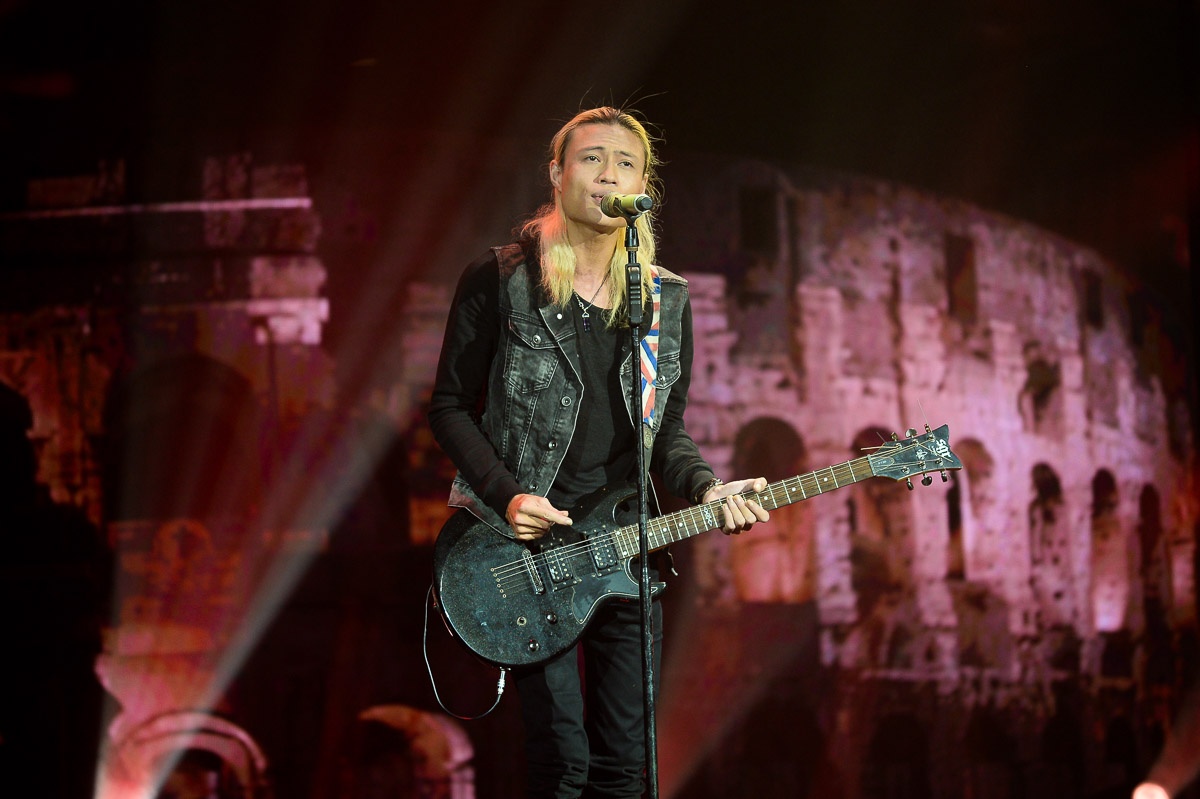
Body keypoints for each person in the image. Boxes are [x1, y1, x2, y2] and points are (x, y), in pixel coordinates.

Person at [427, 106, 769, 798]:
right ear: (557, 175)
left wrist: (708, 487)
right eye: (591, 158)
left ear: (643, 188)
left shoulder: (664, 301)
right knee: (564, 764)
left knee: (627, 768)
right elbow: (449, 407)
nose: (609, 173)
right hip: (526, 549)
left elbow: (664, 431)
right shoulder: (502, 279)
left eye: (626, 163)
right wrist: (508, 496)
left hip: (624, 548)